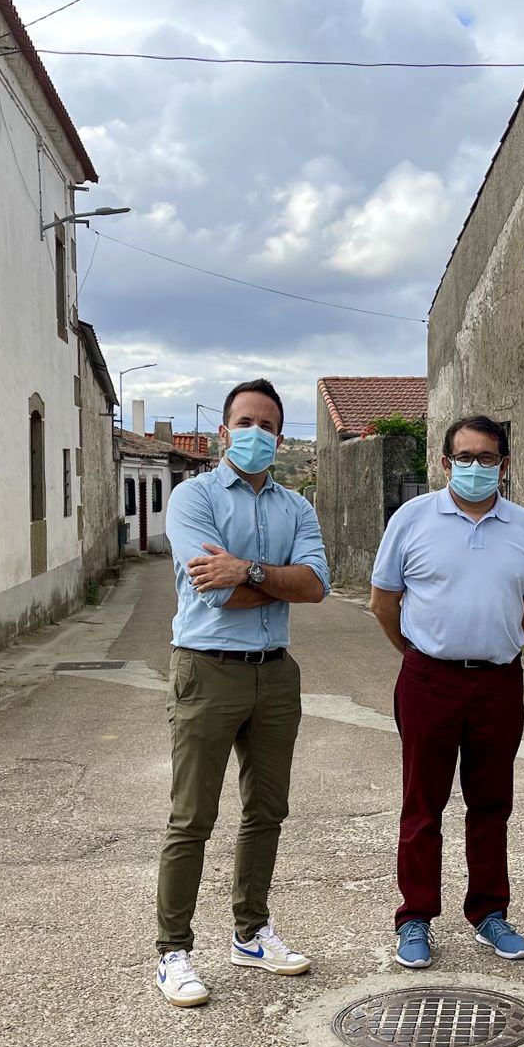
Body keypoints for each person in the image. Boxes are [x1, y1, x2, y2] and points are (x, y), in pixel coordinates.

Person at [152, 379, 330, 1008]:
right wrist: (275, 581)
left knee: (267, 811)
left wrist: (248, 569)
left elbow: (317, 585)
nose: (257, 434)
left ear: (280, 437)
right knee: (192, 817)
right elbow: (215, 591)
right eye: (246, 422)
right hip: (207, 670)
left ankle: (251, 934)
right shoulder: (192, 498)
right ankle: (173, 951)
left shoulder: (297, 508)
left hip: (275, 673)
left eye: (268, 425)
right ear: (225, 431)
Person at [369, 415, 524, 970]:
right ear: (446, 463)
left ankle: (490, 913)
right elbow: (383, 601)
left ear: (504, 464)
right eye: (465, 457)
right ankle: (415, 917)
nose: (476, 467)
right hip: (429, 680)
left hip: (498, 682)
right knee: (422, 804)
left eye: (487, 458)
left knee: (492, 803)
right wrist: (418, 653)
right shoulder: (412, 519)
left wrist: (500, 643)